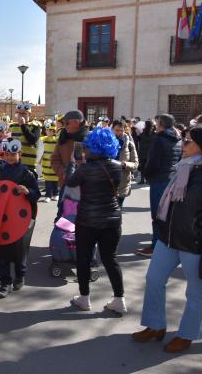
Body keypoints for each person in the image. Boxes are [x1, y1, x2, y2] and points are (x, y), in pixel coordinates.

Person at [133, 125, 202, 353]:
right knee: (154, 279)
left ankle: (187, 334)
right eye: (183, 140)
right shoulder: (183, 167)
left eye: (188, 142)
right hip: (168, 238)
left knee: (196, 293)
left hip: (194, 244)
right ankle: (156, 326)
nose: (182, 145)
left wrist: (198, 232)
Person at [67, 128, 126, 313]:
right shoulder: (117, 166)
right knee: (111, 259)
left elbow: (70, 182)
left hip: (87, 220)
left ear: (92, 146)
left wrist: (74, 164)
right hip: (112, 219)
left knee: (83, 259)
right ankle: (119, 299)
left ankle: (84, 299)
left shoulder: (84, 169)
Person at [0, 138, 39, 297]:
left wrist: (28, 192)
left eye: (13, 154)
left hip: (20, 221)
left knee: (19, 251)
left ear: (20, 154)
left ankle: (20, 275)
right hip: (0, 218)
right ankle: (5, 282)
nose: (9, 157)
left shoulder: (27, 173)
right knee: (2, 252)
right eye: (6, 154)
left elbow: (37, 194)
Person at [138, 114, 183, 258]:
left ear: (161, 124)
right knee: (166, 215)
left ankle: (156, 246)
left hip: (159, 181)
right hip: (171, 179)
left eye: (157, 123)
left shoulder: (159, 139)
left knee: (157, 216)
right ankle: (163, 245)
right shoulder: (178, 138)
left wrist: (145, 172)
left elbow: (153, 163)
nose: (156, 126)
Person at [51, 110, 90, 189]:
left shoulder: (90, 140)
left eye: (67, 123)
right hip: (66, 186)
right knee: (67, 202)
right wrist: (64, 173)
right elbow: (54, 160)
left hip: (86, 187)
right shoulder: (63, 139)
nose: (65, 126)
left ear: (77, 122)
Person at [8, 103, 42, 174]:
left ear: (29, 115)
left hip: (29, 166)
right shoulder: (11, 126)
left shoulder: (35, 126)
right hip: (14, 165)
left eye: (24, 113)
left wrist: (23, 126)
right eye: (19, 113)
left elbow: (32, 140)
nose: (21, 115)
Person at [112, 120, 138, 208]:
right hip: (107, 180)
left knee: (118, 209)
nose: (119, 132)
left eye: (121, 130)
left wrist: (125, 164)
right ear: (112, 130)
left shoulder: (129, 144)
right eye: (116, 130)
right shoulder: (106, 143)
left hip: (122, 181)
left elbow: (135, 164)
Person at [40, 120, 59, 202]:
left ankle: (55, 194)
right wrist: (39, 159)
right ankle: (48, 195)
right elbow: (40, 150)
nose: (49, 132)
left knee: (55, 179)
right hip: (46, 163)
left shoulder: (57, 139)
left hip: (55, 163)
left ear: (54, 131)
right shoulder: (42, 139)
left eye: (51, 130)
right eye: (47, 130)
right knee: (47, 180)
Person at [138, 120, 156, 184]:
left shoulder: (142, 133)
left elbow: (139, 141)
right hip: (151, 152)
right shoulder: (154, 134)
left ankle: (142, 179)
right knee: (149, 166)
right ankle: (148, 179)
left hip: (143, 151)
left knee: (143, 166)